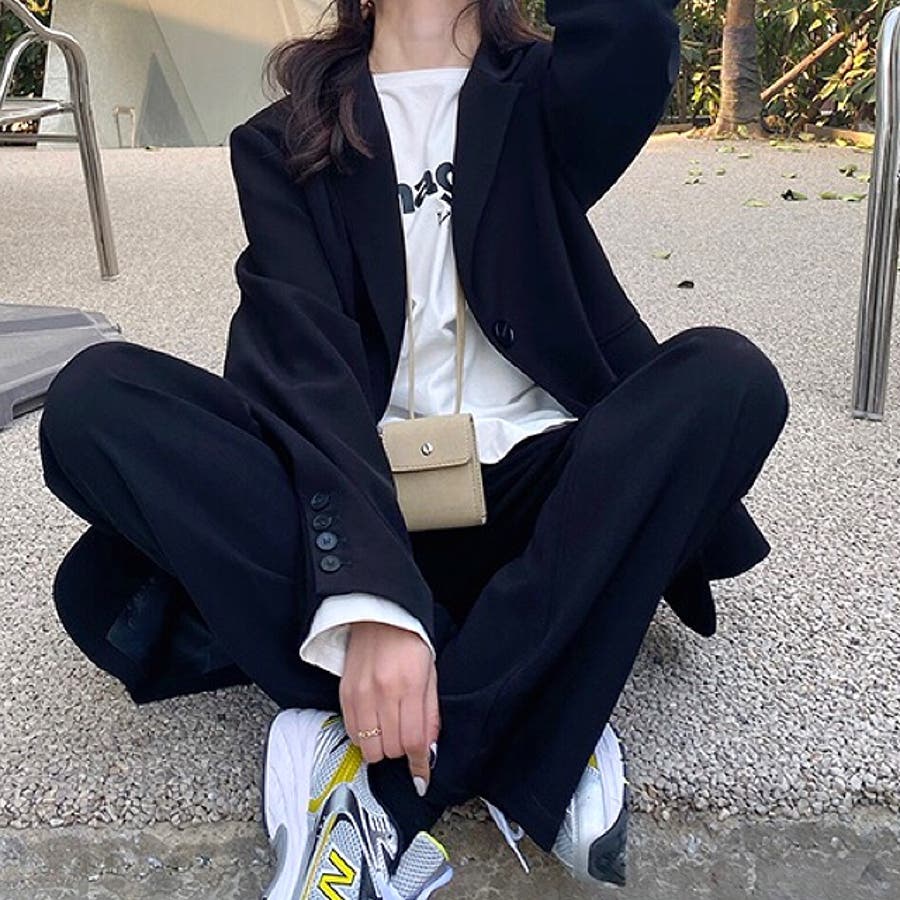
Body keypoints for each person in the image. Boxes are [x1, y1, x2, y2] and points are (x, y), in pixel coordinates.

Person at [37, 0, 789, 895]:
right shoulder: (286, 137)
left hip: (545, 505)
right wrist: (373, 599)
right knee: (96, 397)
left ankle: (386, 788)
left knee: (729, 380)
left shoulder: (550, 96)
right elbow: (303, 372)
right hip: (354, 505)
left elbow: (635, 31)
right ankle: (541, 693)